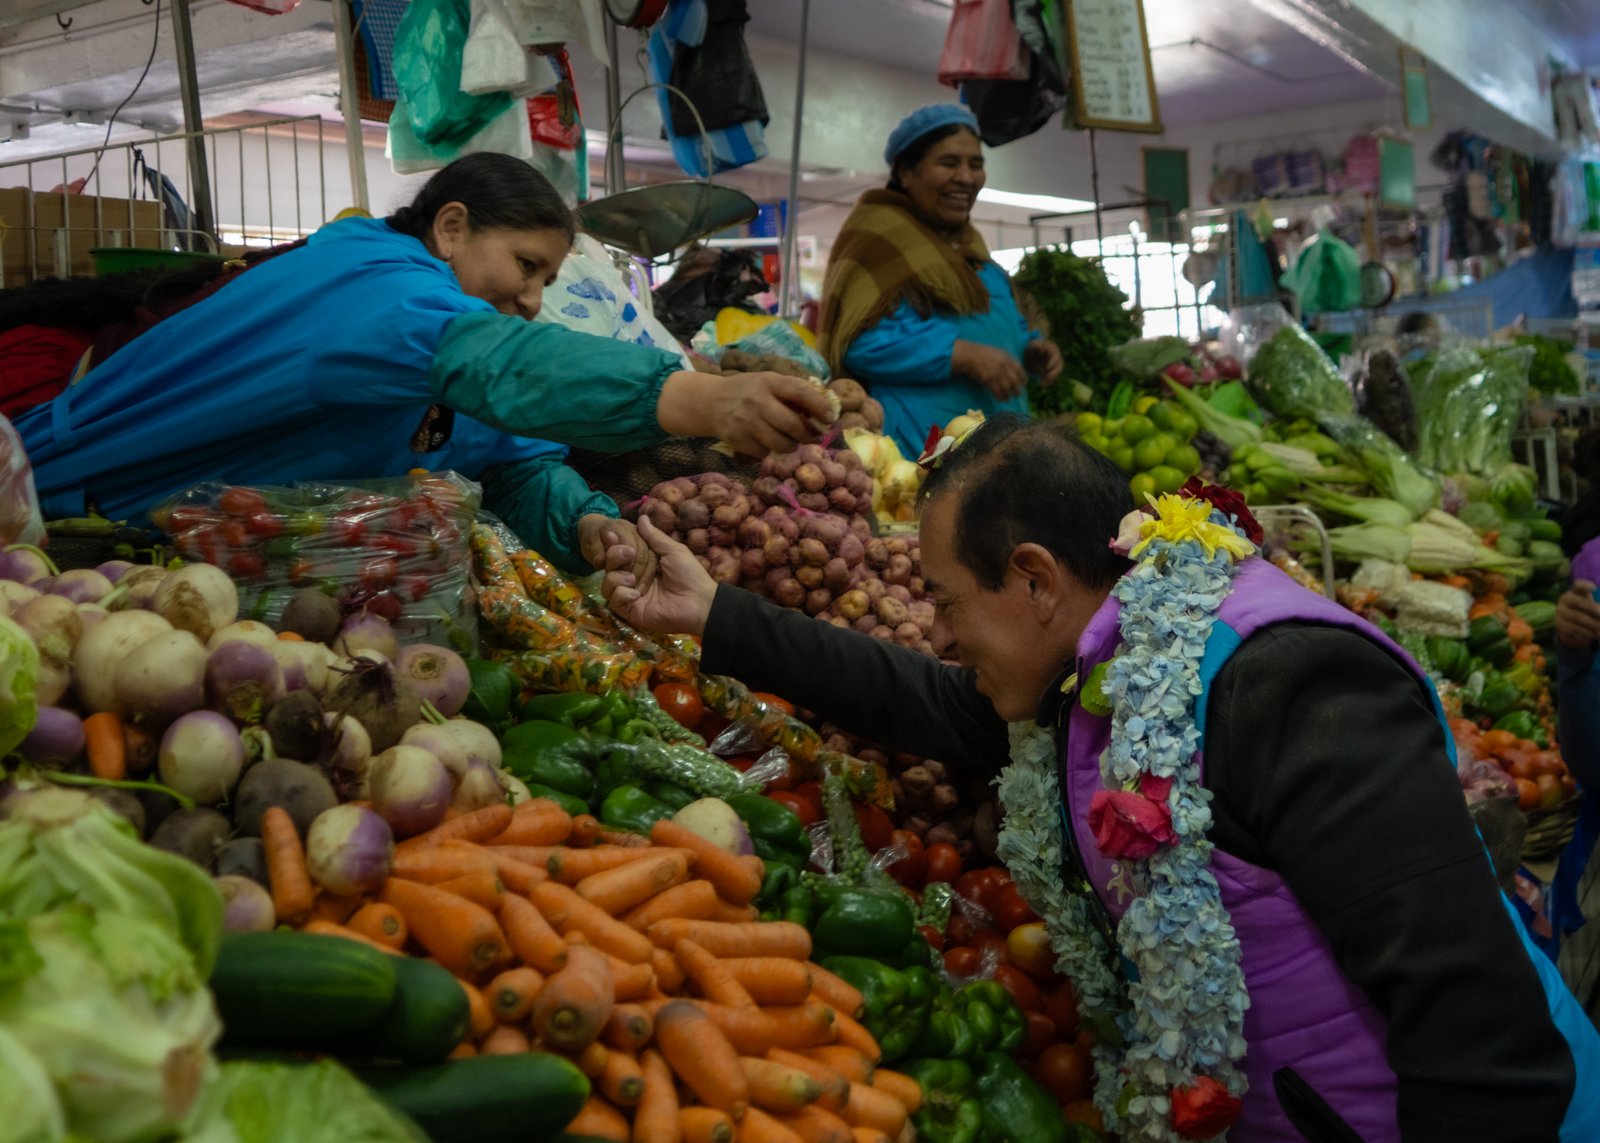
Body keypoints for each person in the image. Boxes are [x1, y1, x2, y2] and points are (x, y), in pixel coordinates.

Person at [600, 415, 1600, 1141]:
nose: (941, 634)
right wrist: (715, 616)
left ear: (1034, 578)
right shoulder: (1092, 674)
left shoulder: (1284, 683)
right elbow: (930, 703)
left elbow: (1474, 1024)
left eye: (948, 602)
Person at [14, 153, 829, 574]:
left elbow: (506, 460)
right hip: (64, 528)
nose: (536, 299)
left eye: (549, 277)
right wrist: (697, 400)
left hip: (197, 560)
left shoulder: (445, 333)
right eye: (526, 266)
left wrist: (589, 526)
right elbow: (501, 366)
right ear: (449, 228)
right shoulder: (372, 287)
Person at [816, 104, 1063, 458]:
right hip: (922, 455)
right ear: (905, 172)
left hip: (1001, 454)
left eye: (975, 165)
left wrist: (1032, 348)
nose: (966, 177)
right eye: (949, 163)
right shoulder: (878, 243)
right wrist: (958, 354)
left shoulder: (971, 253)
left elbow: (997, 327)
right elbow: (858, 341)